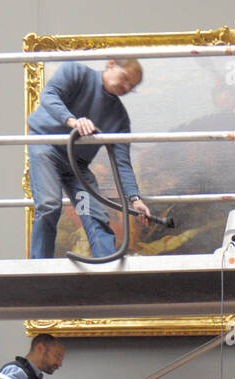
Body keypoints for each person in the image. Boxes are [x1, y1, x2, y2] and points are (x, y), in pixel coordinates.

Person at [26, 59, 152, 259]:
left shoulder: (119, 117)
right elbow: (49, 95)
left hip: (75, 168)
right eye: (125, 78)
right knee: (49, 205)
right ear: (111, 64)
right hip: (47, 148)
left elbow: (122, 163)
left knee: (92, 213)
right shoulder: (75, 72)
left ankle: (107, 266)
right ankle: (39, 268)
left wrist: (134, 199)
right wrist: (72, 121)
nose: (126, 87)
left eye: (132, 86)